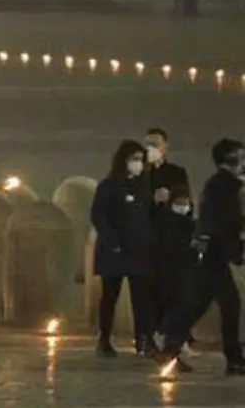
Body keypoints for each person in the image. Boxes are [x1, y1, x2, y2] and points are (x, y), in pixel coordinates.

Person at [157, 138, 245, 375]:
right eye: (241, 156)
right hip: (214, 252)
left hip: (209, 251)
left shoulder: (221, 183)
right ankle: (234, 359)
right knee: (228, 304)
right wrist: (235, 250)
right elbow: (227, 221)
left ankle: (170, 344)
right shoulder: (226, 185)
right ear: (231, 159)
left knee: (200, 302)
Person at [90, 139, 156, 357]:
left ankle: (143, 339)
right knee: (110, 295)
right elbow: (98, 215)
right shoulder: (108, 185)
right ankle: (104, 338)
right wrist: (111, 240)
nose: (138, 164)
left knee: (142, 297)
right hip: (115, 250)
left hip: (139, 249)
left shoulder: (145, 186)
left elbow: (148, 215)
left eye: (141, 160)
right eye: (134, 159)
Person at [152, 187, 198, 361]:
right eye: (179, 203)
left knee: (185, 306)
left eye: (186, 203)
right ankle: (165, 336)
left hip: (185, 269)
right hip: (171, 271)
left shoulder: (189, 223)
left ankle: (177, 341)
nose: (183, 207)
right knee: (177, 305)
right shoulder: (166, 222)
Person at [145, 128, 191, 207]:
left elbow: (185, 201)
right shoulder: (140, 173)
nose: (151, 149)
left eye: (155, 145)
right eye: (148, 145)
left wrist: (170, 197)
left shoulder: (177, 172)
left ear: (165, 146)